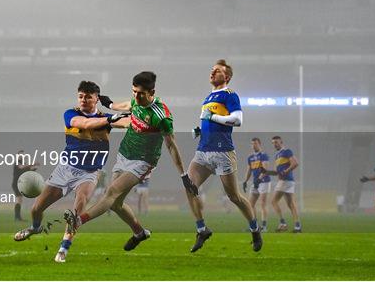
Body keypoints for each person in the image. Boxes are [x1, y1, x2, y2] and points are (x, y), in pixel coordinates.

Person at [64, 71, 198, 251]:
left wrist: (183, 175)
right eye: (134, 91)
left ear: (152, 92)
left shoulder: (162, 117)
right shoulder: (136, 100)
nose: (136, 96)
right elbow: (129, 105)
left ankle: (78, 221)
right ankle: (139, 232)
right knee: (116, 204)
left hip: (143, 161)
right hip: (124, 154)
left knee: (111, 192)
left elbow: (172, 146)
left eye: (140, 93)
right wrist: (110, 104)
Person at [13, 81, 129, 263]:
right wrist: (110, 119)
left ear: (96, 99)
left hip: (89, 173)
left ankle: (63, 248)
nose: (83, 100)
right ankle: (35, 227)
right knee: (36, 208)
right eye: (81, 96)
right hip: (65, 170)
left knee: (79, 204)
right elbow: (84, 123)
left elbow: (129, 122)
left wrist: (122, 112)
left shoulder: (107, 117)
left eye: (88, 97)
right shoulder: (71, 114)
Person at [186, 59, 262, 253]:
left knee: (234, 197)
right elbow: (210, 122)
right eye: (212, 70)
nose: (212, 73)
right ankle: (202, 229)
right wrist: (200, 129)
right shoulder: (207, 98)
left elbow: (237, 120)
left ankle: (254, 229)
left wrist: (213, 118)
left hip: (222, 152)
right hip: (203, 152)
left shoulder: (230, 95)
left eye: (217, 71)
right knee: (189, 186)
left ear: (226, 76)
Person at [270, 136, 302, 233]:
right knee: (291, 204)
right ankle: (297, 226)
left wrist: (286, 171)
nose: (275, 144)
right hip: (288, 181)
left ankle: (283, 223)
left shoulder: (286, 151)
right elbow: (276, 172)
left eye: (276, 142)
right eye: (273, 143)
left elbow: (295, 163)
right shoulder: (277, 155)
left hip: (285, 181)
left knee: (274, 201)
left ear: (281, 142)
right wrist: (266, 172)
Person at [243, 137, 271, 232]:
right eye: (252, 144)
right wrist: (245, 181)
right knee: (250, 205)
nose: (254, 145)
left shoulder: (263, 155)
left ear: (259, 144)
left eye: (255, 143)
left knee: (263, 204)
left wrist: (259, 180)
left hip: (264, 182)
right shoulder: (250, 157)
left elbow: (265, 170)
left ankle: (264, 226)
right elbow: (249, 170)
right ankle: (255, 226)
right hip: (255, 183)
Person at [12, 149, 39, 221]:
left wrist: (33, 169)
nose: (22, 156)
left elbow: (27, 170)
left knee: (19, 200)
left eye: (23, 154)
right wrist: (32, 165)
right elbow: (22, 167)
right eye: (20, 154)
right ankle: (17, 217)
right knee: (19, 200)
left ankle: (17, 217)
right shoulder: (17, 162)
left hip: (20, 183)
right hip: (16, 183)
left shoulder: (23, 163)